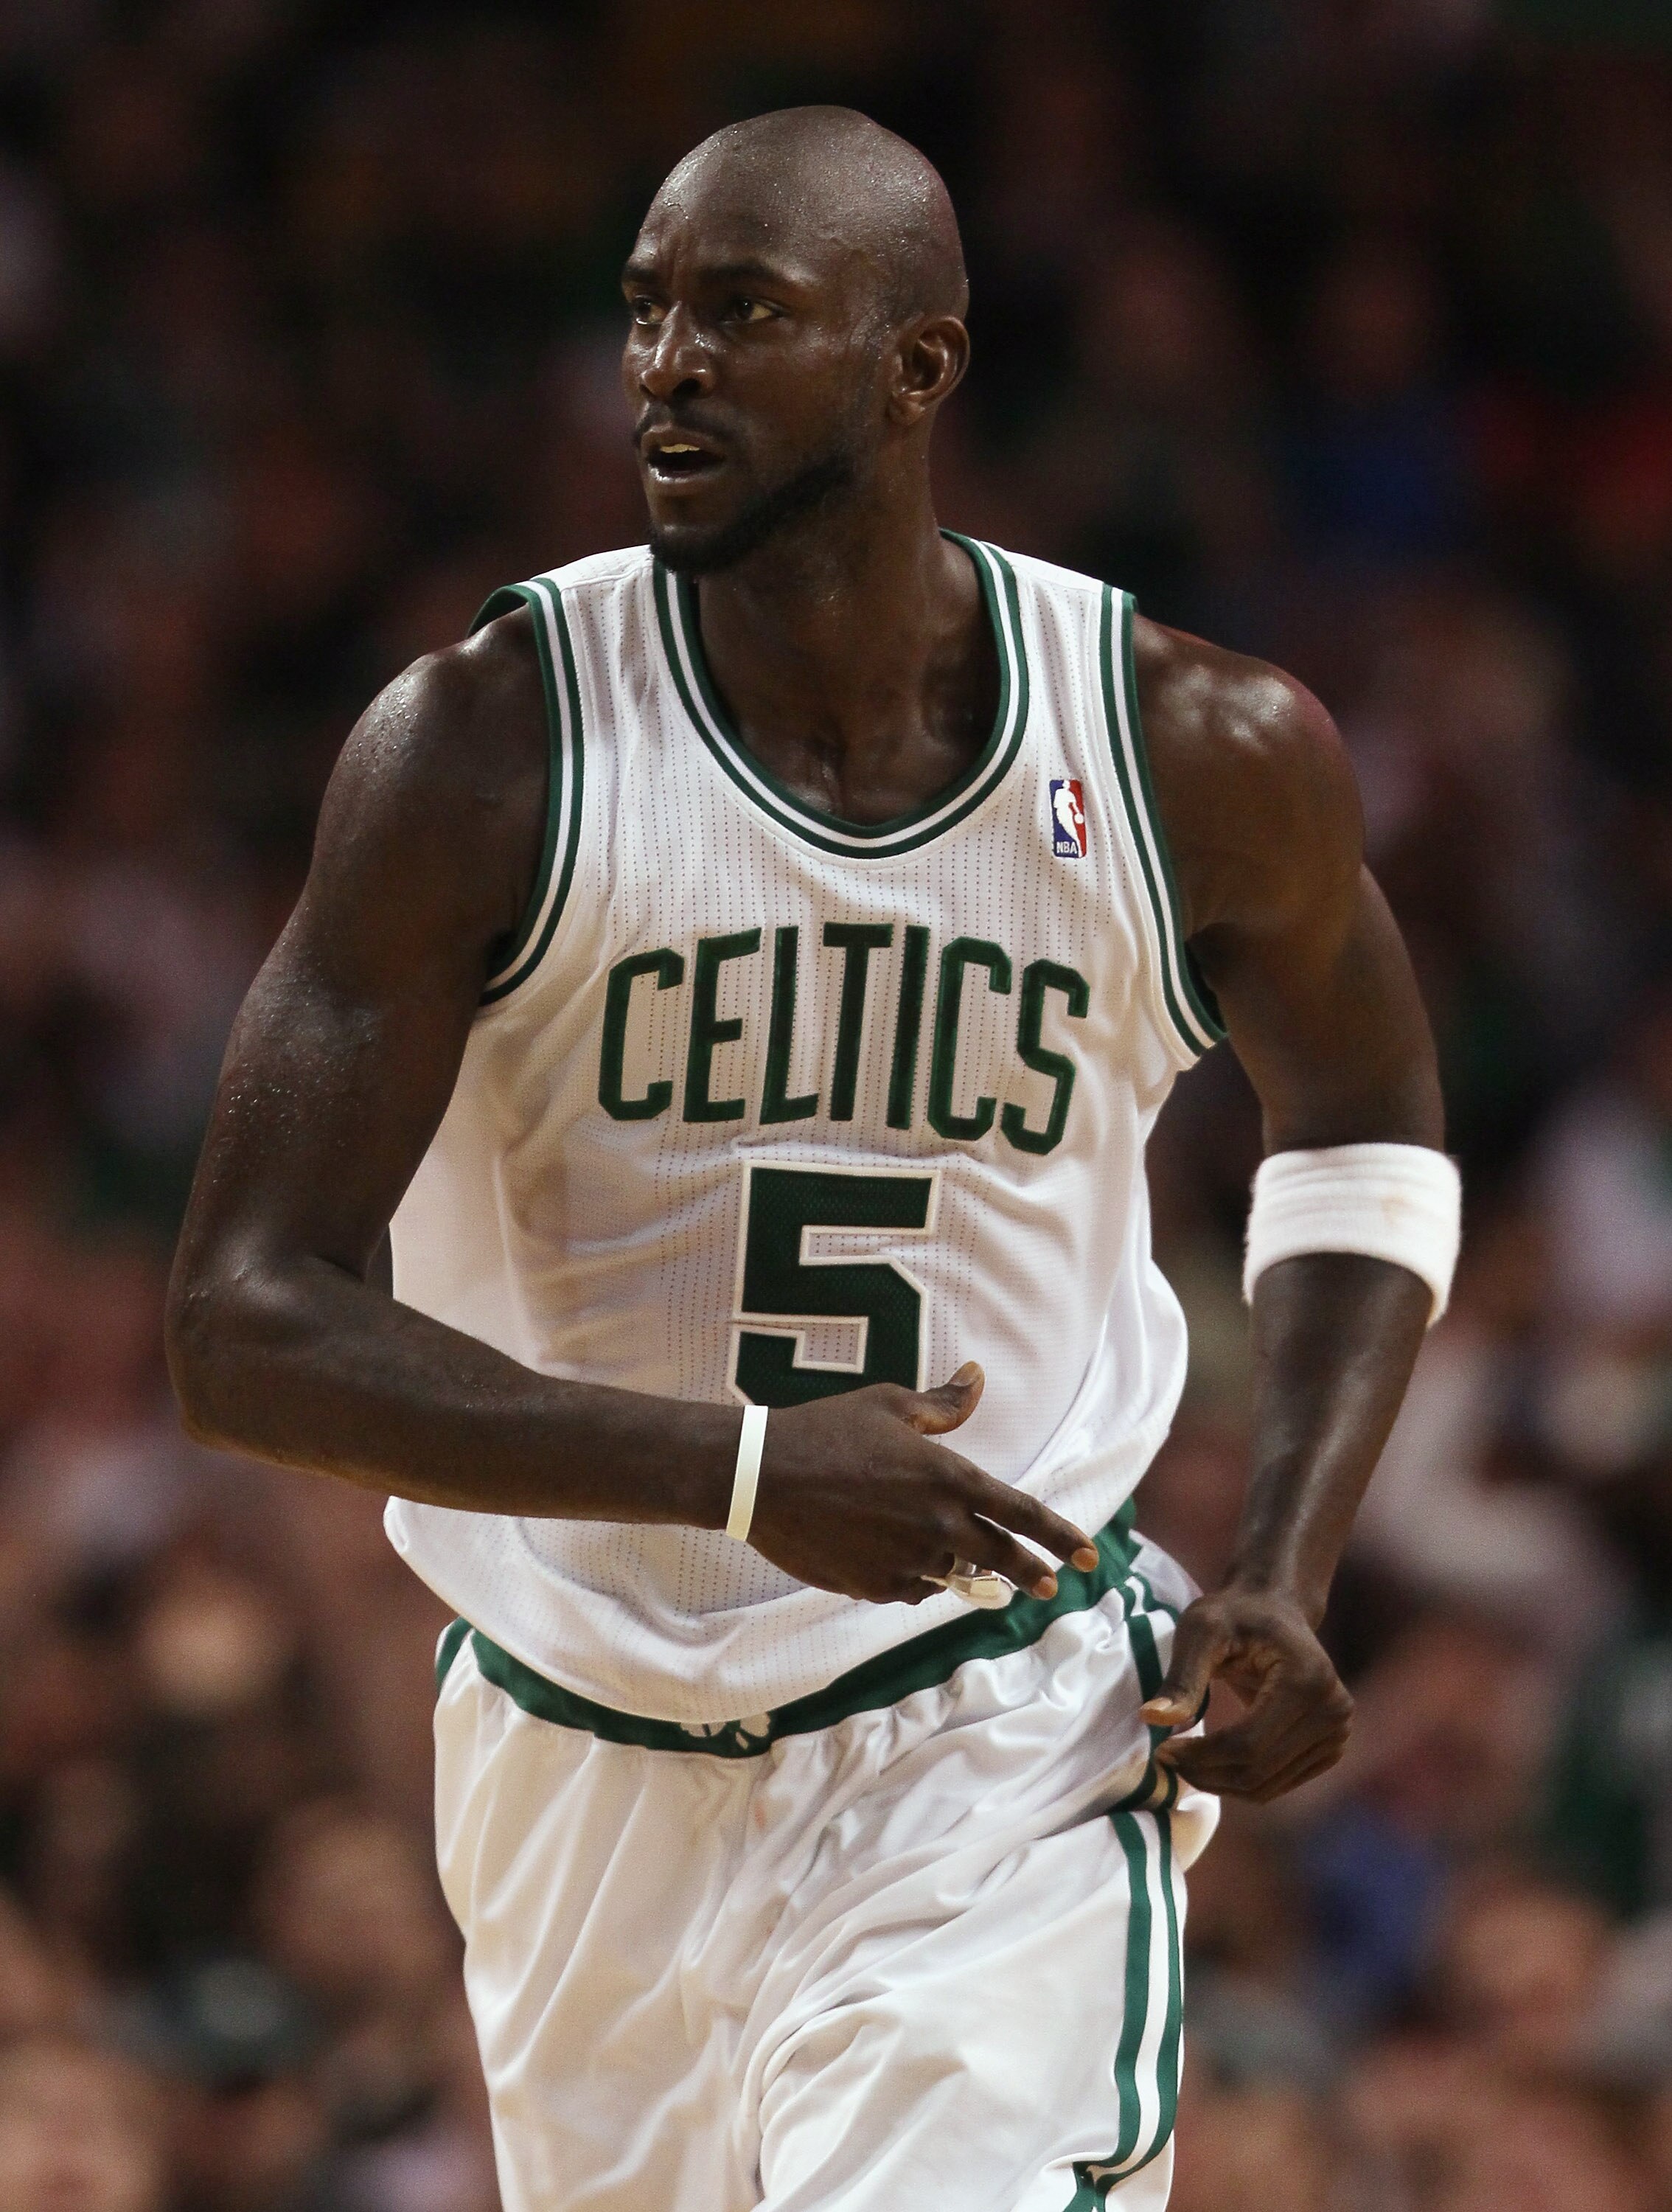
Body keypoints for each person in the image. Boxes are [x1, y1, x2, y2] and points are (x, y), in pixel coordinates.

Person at [167, 106, 1455, 2212]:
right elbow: (239, 1328)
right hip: (574, 1753)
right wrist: (749, 1469)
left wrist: (1287, 1557)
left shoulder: (1184, 747)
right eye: (644, 312)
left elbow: (1366, 1133)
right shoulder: (485, 745)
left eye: (739, 315)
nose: (663, 365)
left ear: (912, 366)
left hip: (993, 1732)